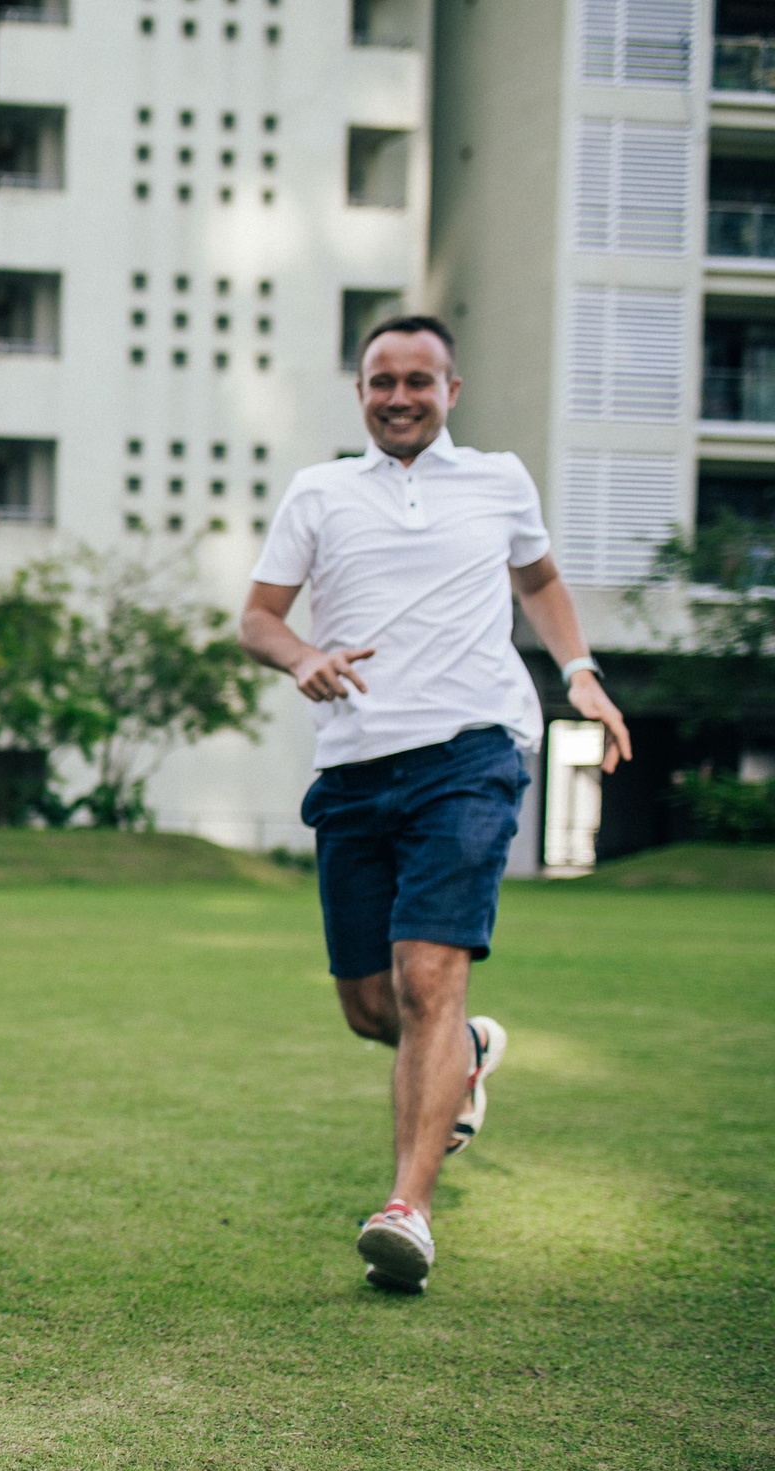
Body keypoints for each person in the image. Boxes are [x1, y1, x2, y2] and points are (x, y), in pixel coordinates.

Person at [241, 314, 632, 1295]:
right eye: (381, 381)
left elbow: (537, 579)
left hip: (469, 753)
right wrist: (303, 657)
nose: (399, 396)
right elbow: (258, 615)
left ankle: (406, 1207)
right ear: (361, 391)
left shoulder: (498, 479)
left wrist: (578, 670)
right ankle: (469, 1054)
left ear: (450, 390)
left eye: (418, 380)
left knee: (427, 979)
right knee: (373, 1006)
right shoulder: (318, 491)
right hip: (355, 768)